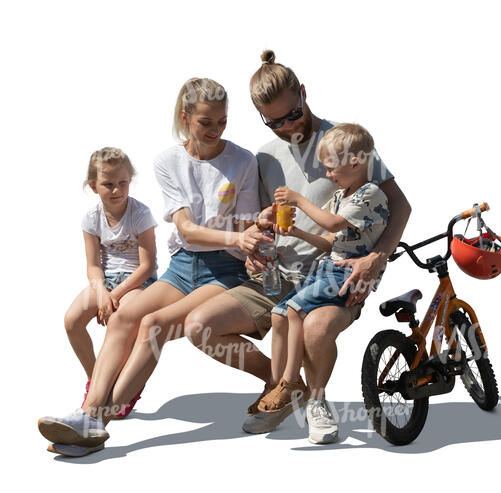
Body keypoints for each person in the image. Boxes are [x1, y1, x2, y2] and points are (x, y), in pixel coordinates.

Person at [183, 50, 411, 444]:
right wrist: (257, 235)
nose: (288, 126)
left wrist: (377, 258)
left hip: (336, 272)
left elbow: (400, 205)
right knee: (199, 327)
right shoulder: (265, 156)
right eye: (275, 122)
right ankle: (285, 387)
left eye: (293, 114)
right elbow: (256, 219)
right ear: (260, 118)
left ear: (304, 93)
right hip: (275, 276)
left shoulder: (345, 142)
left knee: (315, 329)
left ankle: (317, 401)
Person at [38, 78, 266, 457]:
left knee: (153, 326)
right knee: (124, 319)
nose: (215, 131)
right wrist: (235, 237)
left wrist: (251, 237)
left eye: (222, 122)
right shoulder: (167, 161)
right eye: (205, 122)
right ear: (185, 117)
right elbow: (186, 228)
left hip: (225, 269)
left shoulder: (243, 161)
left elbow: (244, 227)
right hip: (182, 266)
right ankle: (88, 415)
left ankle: (95, 421)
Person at [258, 123, 389, 418]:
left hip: (346, 274)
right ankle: (276, 386)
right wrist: (295, 234)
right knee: (279, 315)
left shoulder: (369, 194)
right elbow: (330, 240)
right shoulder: (343, 195)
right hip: (327, 266)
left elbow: (332, 225)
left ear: (355, 162)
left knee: (294, 309)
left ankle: (292, 382)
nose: (328, 175)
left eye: (331, 168)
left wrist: (298, 200)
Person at [66, 147, 157, 417]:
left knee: (122, 323)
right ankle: (96, 381)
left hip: (136, 283)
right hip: (105, 282)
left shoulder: (140, 214)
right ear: (93, 186)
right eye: (108, 185)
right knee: (71, 321)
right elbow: (93, 265)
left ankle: (125, 388)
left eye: (123, 183)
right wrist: (101, 291)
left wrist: (114, 295)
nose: (117, 190)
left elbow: (147, 265)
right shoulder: (91, 219)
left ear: (130, 181)